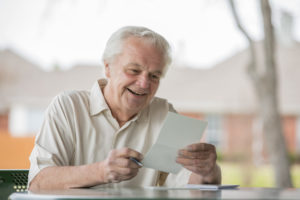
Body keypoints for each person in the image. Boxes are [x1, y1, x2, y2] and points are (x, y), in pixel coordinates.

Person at [28, 26, 221, 190]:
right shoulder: (68, 107)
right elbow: (38, 183)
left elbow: (191, 187)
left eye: (154, 76)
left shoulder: (165, 114)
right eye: (134, 71)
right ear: (107, 68)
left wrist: (208, 171)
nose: (144, 84)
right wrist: (100, 171)